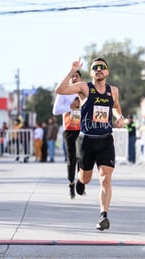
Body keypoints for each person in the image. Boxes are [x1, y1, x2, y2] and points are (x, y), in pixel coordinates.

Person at [55, 57, 124, 231]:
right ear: (92, 72)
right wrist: (72, 71)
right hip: (87, 140)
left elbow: (115, 106)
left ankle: (103, 215)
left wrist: (119, 117)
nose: (99, 70)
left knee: (105, 178)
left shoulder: (113, 90)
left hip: (106, 140)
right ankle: (80, 180)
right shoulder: (84, 87)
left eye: (102, 67)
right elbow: (60, 90)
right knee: (86, 177)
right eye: (95, 68)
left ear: (107, 71)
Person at [52, 70, 82, 198]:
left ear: (80, 78)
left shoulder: (84, 91)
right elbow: (55, 110)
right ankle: (71, 183)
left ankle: (81, 182)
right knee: (72, 158)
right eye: (72, 76)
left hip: (83, 129)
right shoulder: (64, 92)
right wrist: (70, 106)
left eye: (77, 76)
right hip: (69, 129)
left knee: (82, 157)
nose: (74, 78)